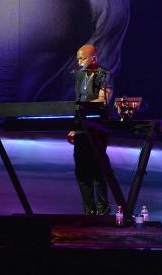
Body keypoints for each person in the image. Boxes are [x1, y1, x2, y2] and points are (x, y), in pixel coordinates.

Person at [68, 43, 113, 215]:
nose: (79, 62)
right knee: (81, 169)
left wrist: (82, 106)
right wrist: (74, 127)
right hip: (81, 127)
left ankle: (102, 209)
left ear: (93, 58)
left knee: (97, 167)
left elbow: (104, 99)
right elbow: (79, 102)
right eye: (78, 59)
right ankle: (88, 210)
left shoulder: (104, 75)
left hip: (97, 127)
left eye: (82, 58)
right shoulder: (79, 76)